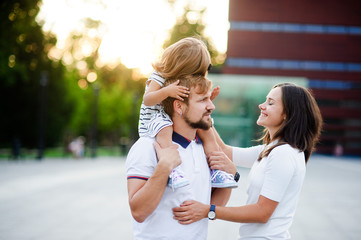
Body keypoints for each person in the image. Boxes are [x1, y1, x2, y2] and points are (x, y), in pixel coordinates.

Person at [172, 83, 323, 239]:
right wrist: (204, 112)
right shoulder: (272, 149)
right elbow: (224, 151)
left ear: (288, 114)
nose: (261, 106)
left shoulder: (283, 154)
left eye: (270, 103)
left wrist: (207, 210)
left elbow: (262, 213)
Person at [126, 75, 232, 239]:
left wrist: (231, 174)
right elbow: (138, 212)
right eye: (203, 100)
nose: (211, 106)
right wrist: (164, 167)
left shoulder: (203, 148)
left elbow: (211, 205)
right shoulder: (147, 146)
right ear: (179, 106)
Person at [138, 36, 237, 189]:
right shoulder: (159, 75)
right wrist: (167, 91)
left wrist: (206, 98)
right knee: (166, 129)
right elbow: (147, 100)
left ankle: (217, 171)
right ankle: (172, 169)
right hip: (155, 118)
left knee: (207, 131)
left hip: (173, 114)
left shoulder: (184, 81)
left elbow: (189, 102)